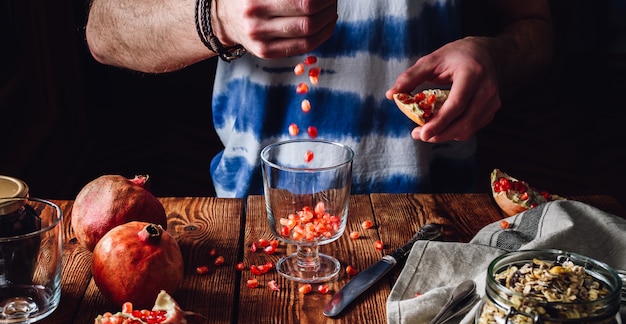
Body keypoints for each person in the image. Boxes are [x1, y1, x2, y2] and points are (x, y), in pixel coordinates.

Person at [85, 0, 553, 197]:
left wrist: (497, 58)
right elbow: (105, 30)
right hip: (253, 216)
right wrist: (218, 16)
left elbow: (534, 27)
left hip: (434, 218)